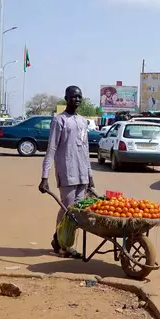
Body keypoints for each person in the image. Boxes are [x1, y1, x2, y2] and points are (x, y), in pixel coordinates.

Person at [39, 86, 95, 258]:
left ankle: (60, 241)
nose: (76, 100)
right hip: (67, 171)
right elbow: (52, 149)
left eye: (79, 97)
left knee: (76, 212)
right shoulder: (59, 120)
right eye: (73, 97)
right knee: (68, 209)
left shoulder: (83, 121)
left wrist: (90, 176)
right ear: (66, 98)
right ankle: (62, 244)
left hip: (82, 174)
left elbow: (85, 150)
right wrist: (44, 176)